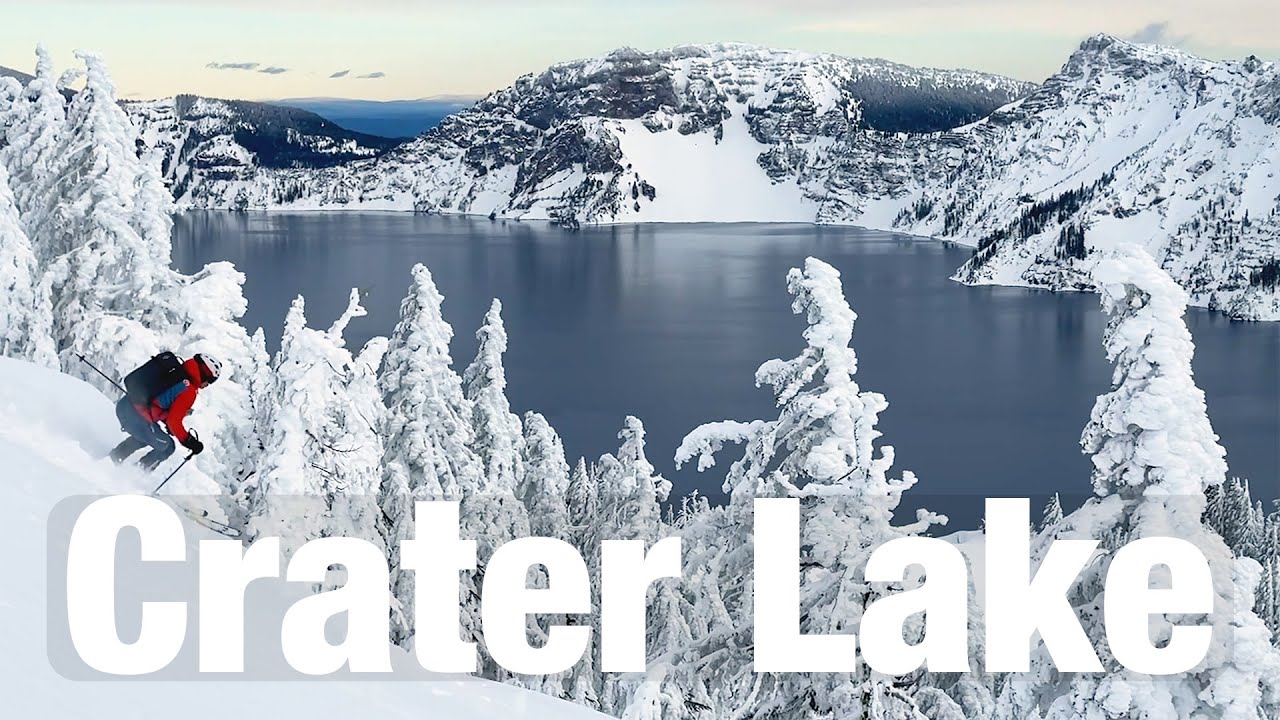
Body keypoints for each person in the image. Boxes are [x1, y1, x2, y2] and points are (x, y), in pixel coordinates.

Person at [109, 353, 221, 470]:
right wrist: (190, 442)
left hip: (126, 406)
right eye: (210, 380)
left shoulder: (176, 372)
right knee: (167, 447)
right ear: (205, 373)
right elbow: (174, 422)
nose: (208, 385)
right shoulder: (188, 391)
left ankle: (114, 458)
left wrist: (167, 421)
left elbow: (157, 402)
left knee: (150, 438)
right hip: (136, 418)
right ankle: (136, 473)